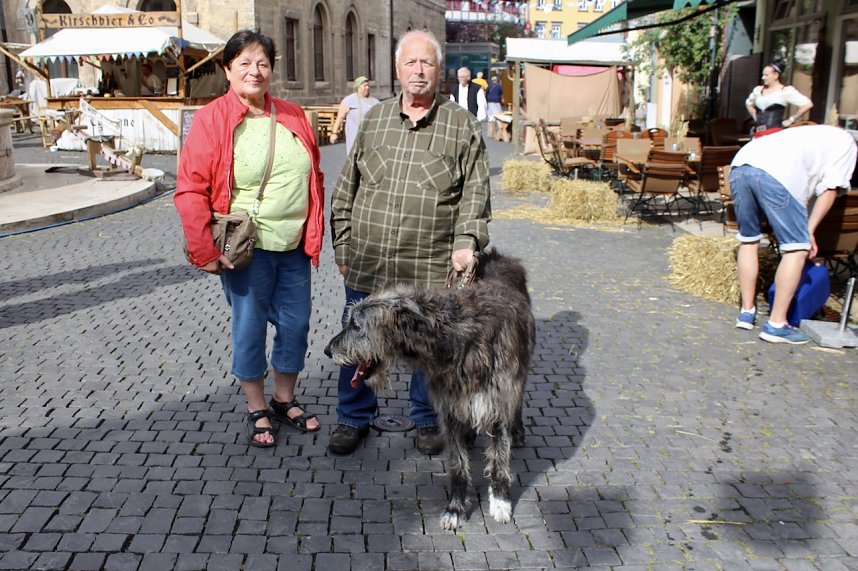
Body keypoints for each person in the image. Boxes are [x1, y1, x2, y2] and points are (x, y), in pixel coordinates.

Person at [329, 29, 491, 456]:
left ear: (439, 70)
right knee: (360, 342)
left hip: (430, 267)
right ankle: (353, 417)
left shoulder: (461, 125)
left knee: (429, 350)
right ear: (397, 69)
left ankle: (426, 419)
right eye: (410, 62)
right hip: (370, 262)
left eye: (427, 63)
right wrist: (344, 250)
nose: (418, 70)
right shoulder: (376, 119)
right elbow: (346, 189)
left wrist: (466, 242)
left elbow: (476, 195)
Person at [174, 30, 325, 447]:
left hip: (294, 245)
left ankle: (283, 399)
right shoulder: (212, 119)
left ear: (272, 69)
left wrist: (313, 228)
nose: (254, 72)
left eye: (262, 63)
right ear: (227, 69)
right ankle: (256, 406)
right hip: (248, 248)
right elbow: (190, 189)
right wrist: (203, 248)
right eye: (244, 63)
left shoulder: (293, 114)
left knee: (296, 325)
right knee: (250, 326)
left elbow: (314, 174)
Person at [730, 125, 857, 344]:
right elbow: (829, 190)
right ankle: (777, 324)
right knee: (797, 248)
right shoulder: (848, 145)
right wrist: (809, 232)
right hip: (778, 172)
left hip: (741, 164)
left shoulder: (816, 134)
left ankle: (746, 312)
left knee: (749, 241)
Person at [745, 60, 812, 137]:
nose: (763, 78)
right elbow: (748, 104)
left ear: (776, 75)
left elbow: (807, 104)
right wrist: (755, 117)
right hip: (758, 133)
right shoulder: (758, 90)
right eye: (763, 75)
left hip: (775, 133)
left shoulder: (785, 91)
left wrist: (791, 120)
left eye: (766, 75)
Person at [328, 75, 380, 154]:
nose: (367, 88)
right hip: (354, 135)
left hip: (371, 135)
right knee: (355, 156)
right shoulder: (349, 100)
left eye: (368, 85)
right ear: (358, 87)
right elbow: (340, 117)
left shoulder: (375, 102)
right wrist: (334, 133)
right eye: (364, 86)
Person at [485, 75, 503, 139]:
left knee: (491, 114)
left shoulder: (489, 86)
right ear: (496, 80)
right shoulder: (499, 86)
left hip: (490, 100)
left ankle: (491, 132)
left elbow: (486, 92)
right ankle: (499, 128)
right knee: (498, 113)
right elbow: (501, 93)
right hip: (497, 100)